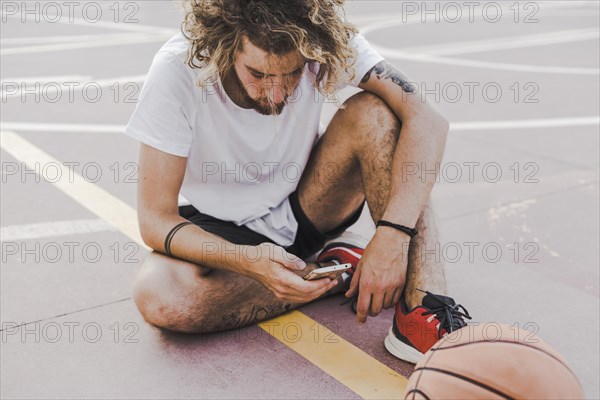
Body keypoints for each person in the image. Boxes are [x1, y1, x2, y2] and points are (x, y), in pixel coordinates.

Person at [125, 0, 471, 364]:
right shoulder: (177, 69)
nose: (276, 94)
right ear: (224, 45)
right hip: (220, 226)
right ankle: (337, 271)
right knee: (161, 299)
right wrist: (246, 261)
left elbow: (428, 119)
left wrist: (392, 236)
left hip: (309, 201)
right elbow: (155, 219)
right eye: (257, 74)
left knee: (377, 115)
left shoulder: (320, 39)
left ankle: (424, 307)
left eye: (291, 74)